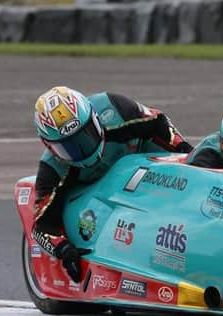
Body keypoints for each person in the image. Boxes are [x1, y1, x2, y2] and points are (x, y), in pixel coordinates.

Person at [31, 86, 192, 282]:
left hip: (144, 160)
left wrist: (188, 155)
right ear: (49, 146)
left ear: (94, 118)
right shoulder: (52, 169)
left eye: (86, 134)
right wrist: (64, 250)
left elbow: (159, 122)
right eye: (68, 147)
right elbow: (41, 227)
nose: (83, 148)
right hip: (102, 192)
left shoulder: (115, 109)